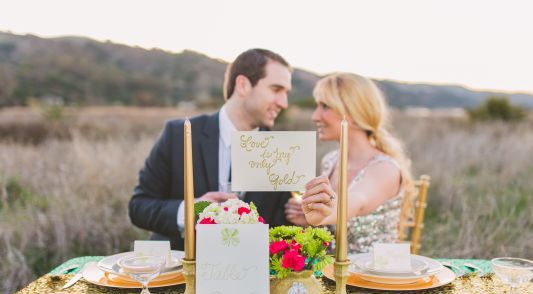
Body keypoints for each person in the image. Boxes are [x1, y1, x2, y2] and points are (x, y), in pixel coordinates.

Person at [129, 49, 293, 250]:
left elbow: (282, 228)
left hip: (249, 274)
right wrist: (192, 211)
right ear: (243, 85)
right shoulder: (178, 134)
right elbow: (139, 207)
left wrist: (302, 218)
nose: (284, 103)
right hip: (177, 271)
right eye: (276, 90)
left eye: (286, 93)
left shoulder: (280, 151)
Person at [286, 73, 413, 254]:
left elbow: (357, 201)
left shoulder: (385, 169)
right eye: (317, 106)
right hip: (331, 273)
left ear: (352, 113)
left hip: (374, 275)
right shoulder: (330, 161)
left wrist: (324, 212)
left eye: (325, 106)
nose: (315, 116)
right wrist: (308, 218)